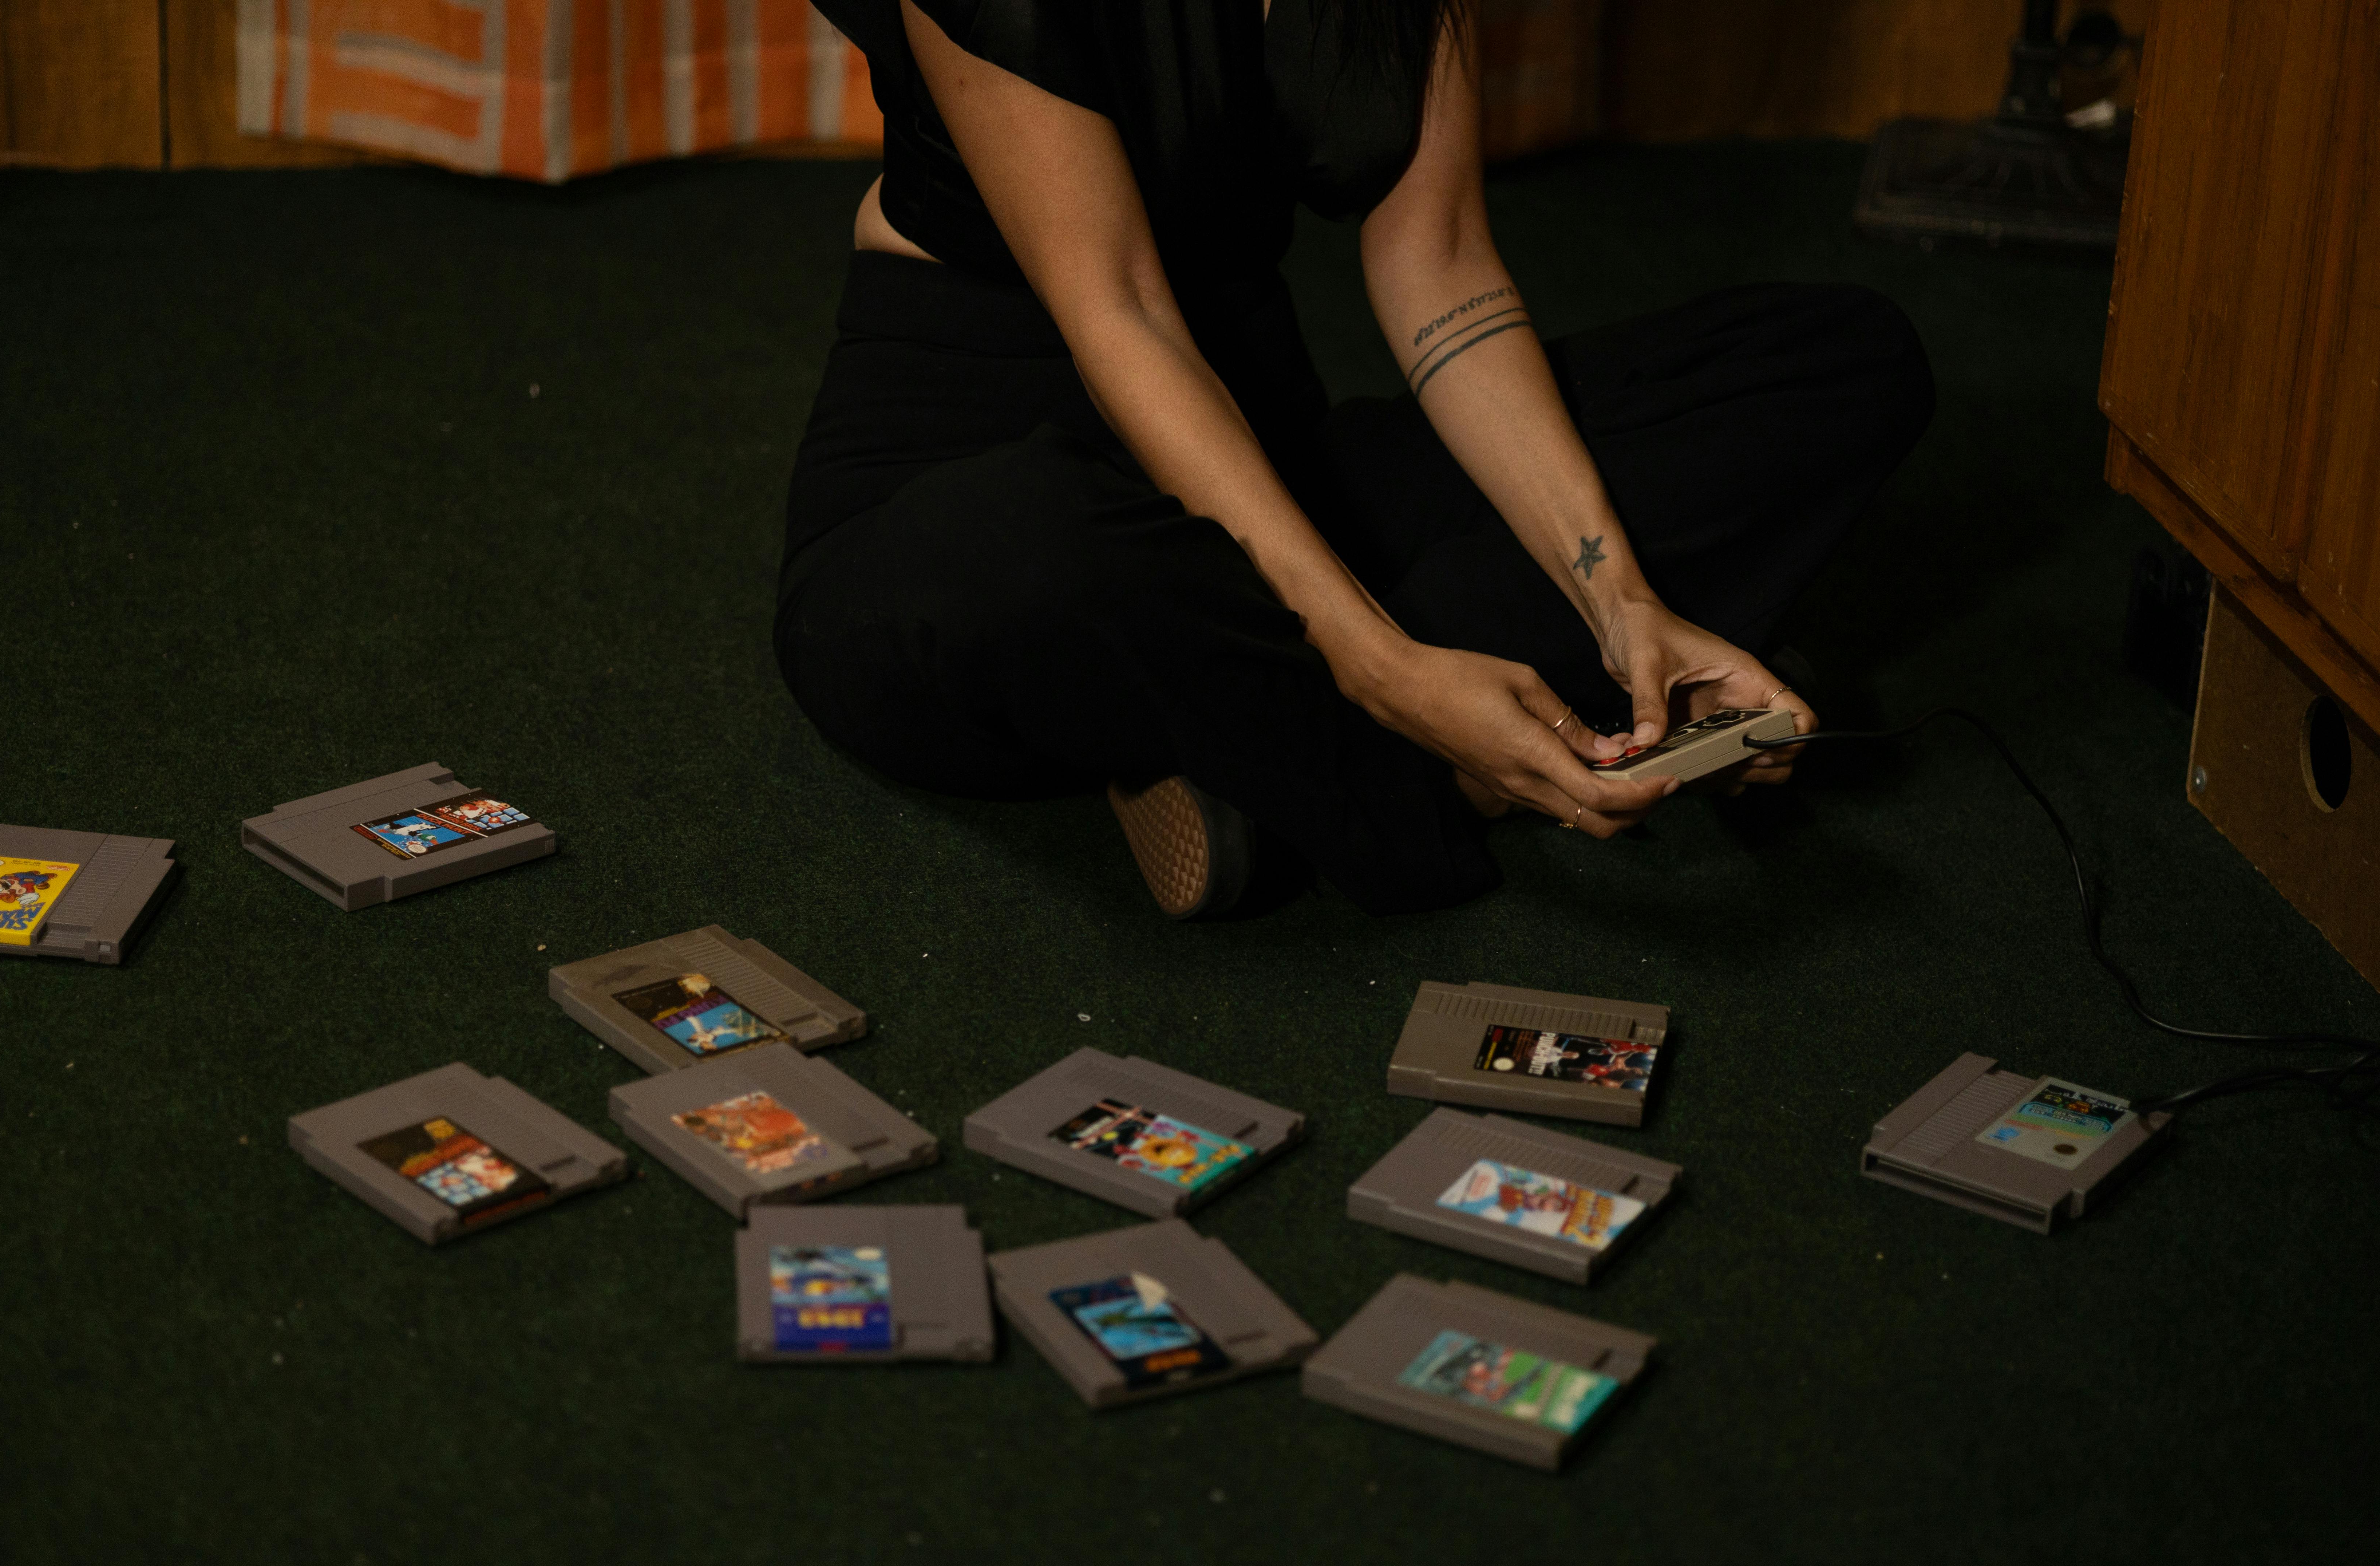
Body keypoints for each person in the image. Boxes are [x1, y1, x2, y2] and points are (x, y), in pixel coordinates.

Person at [776, 0, 1934, 918]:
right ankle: (1435, 785)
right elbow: (1119, 312)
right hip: (971, 481)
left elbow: (1443, 266)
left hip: (1264, 481)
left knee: (1838, 361)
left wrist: (1619, 599)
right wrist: (1384, 668)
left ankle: (1275, 732)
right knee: (1032, 542)